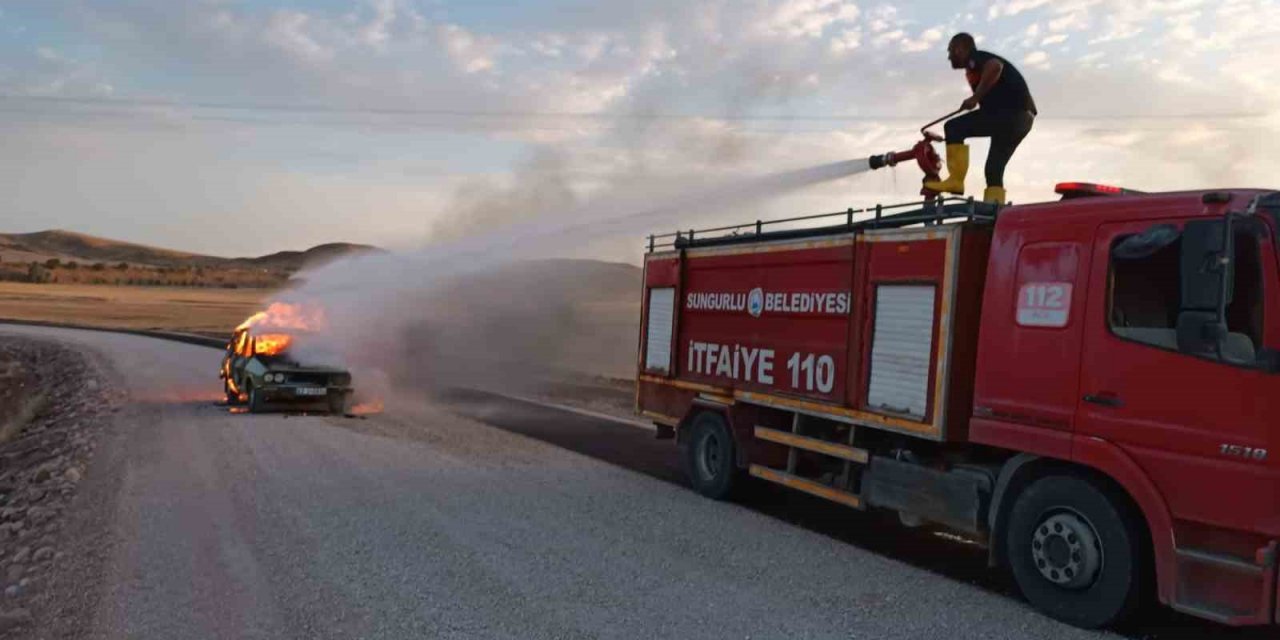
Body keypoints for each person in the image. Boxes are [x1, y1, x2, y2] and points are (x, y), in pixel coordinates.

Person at [923, 33, 1037, 204]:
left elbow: (995, 66)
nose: (949, 57)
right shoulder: (974, 68)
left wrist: (975, 97)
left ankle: (956, 180)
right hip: (1023, 120)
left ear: (960, 48)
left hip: (1011, 114)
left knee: (954, 128)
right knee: (993, 169)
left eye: (950, 51)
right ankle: (994, 210)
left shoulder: (975, 59)